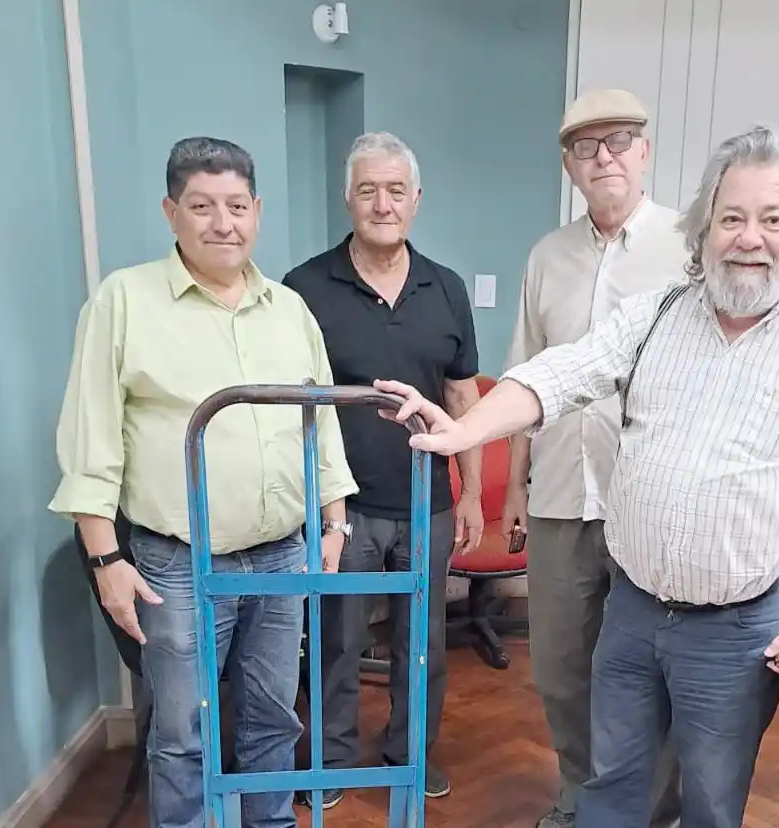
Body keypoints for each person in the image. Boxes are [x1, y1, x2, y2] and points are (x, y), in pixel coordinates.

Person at [372, 124, 779, 828]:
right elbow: (559, 373)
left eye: (773, 220)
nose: (750, 238)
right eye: (732, 218)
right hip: (634, 611)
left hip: (740, 630)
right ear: (704, 230)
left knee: (712, 800)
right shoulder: (656, 317)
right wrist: (463, 429)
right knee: (611, 782)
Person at [48, 137, 359, 828]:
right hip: (177, 561)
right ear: (171, 212)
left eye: (237, 206)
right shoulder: (123, 302)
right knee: (185, 735)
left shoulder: (288, 309)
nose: (223, 223)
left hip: (282, 553)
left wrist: (333, 523)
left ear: (258, 212)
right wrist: (105, 558)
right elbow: (90, 439)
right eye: (202, 206)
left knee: (273, 721)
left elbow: (323, 426)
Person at [283, 132, 483, 809]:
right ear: (348, 199)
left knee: (420, 646)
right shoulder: (304, 287)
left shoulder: (446, 289)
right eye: (368, 189)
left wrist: (474, 493)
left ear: (416, 200)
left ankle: (410, 756)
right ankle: (331, 760)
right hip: (342, 509)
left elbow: (462, 399)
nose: (382, 203)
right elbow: (289, 409)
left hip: (427, 502)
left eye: (396, 190)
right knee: (335, 642)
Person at [503, 88, 685, 828]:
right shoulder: (548, 257)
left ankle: (651, 811)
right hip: (557, 499)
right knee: (561, 670)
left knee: (655, 671)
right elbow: (526, 373)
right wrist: (515, 486)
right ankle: (582, 799)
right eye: (586, 146)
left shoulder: (689, 246)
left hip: (651, 502)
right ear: (569, 164)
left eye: (619, 141)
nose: (603, 156)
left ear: (644, 152)